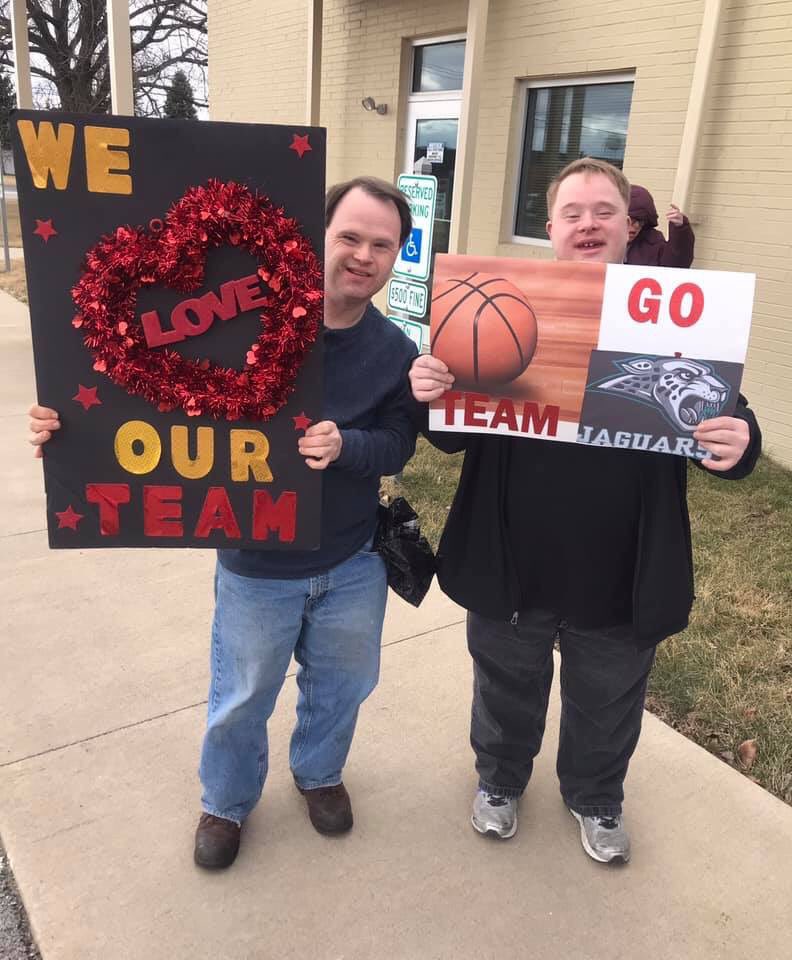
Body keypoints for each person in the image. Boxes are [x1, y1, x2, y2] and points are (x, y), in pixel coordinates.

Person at [28, 176, 419, 870]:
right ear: (317, 236)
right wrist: (70, 430)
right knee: (241, 695)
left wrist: (347, 447)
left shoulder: (393, 348)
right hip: (257, 561)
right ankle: (227, 801)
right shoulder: (242, 320)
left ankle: (319, 774)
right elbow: (143, 400)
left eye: (381, 244)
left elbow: (398, 440)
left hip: (352, 558)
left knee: (344, 686)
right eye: (350, 237)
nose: (364, 254)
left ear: (396, 255)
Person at [409, 158, 760, 864]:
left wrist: (740, 442)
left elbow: (725, 419)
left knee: (608, 701)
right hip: (513, 560)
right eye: (573, 212)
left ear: (628, 228)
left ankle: (596, 796)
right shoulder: (503, 306)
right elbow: (448, 436)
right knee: (505, 688)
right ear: (551, 228)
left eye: (604, 210)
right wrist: (428, 387)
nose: (589, 223)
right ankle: (501, 781)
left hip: (621, 567)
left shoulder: (674, 315)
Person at [626, 184, 695, 267]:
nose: (636, 226)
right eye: (631, 220)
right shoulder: (606, 240)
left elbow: (676, 266)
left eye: (641, 221)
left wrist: (680, 229)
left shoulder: (653, 243)